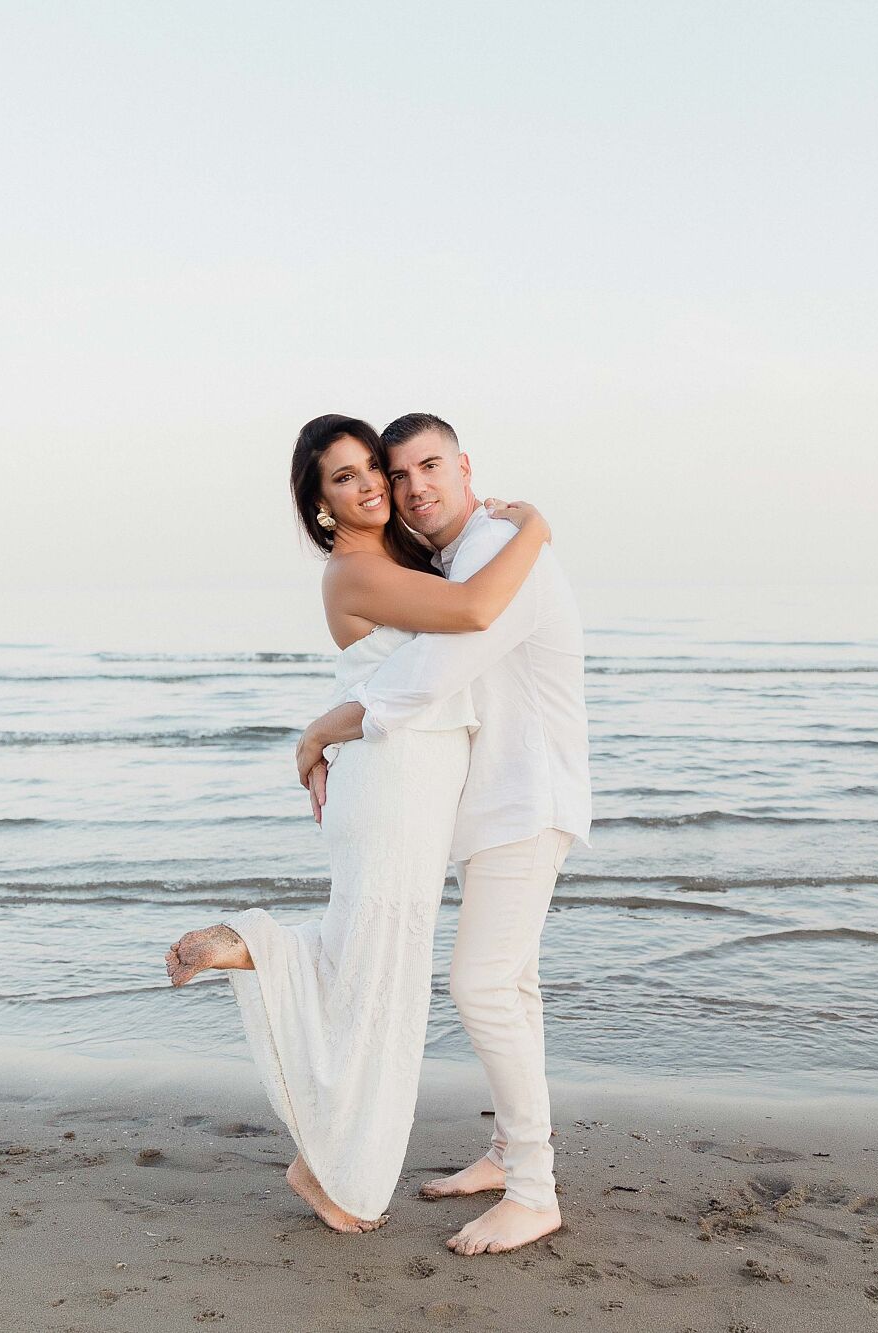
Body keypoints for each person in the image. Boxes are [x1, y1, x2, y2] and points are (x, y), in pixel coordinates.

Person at [163, 414, 550, 1234]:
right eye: (344, 477)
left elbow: (420, 665)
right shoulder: (354, 572)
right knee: (381, 973)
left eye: (373, 465)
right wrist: (540, 528)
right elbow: (479, 608)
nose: (373, 482)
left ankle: (324, 1147)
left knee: (377, 964)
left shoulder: (396, 559)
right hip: (394, 780)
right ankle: (266, 955)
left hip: (407, 775)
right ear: (321, 504)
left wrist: (317, 730)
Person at [295, 412, 590, 1256]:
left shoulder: (500, 549)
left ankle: (535, 1189)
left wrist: (325, 727)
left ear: (465, 467)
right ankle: (508, 1153)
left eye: (431, 465)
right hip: (497, 802)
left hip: (526, 799)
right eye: (400, 472)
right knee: (513, 986)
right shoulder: (460, 556)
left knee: (481, 986)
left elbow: (426, 677)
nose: (413, 486)